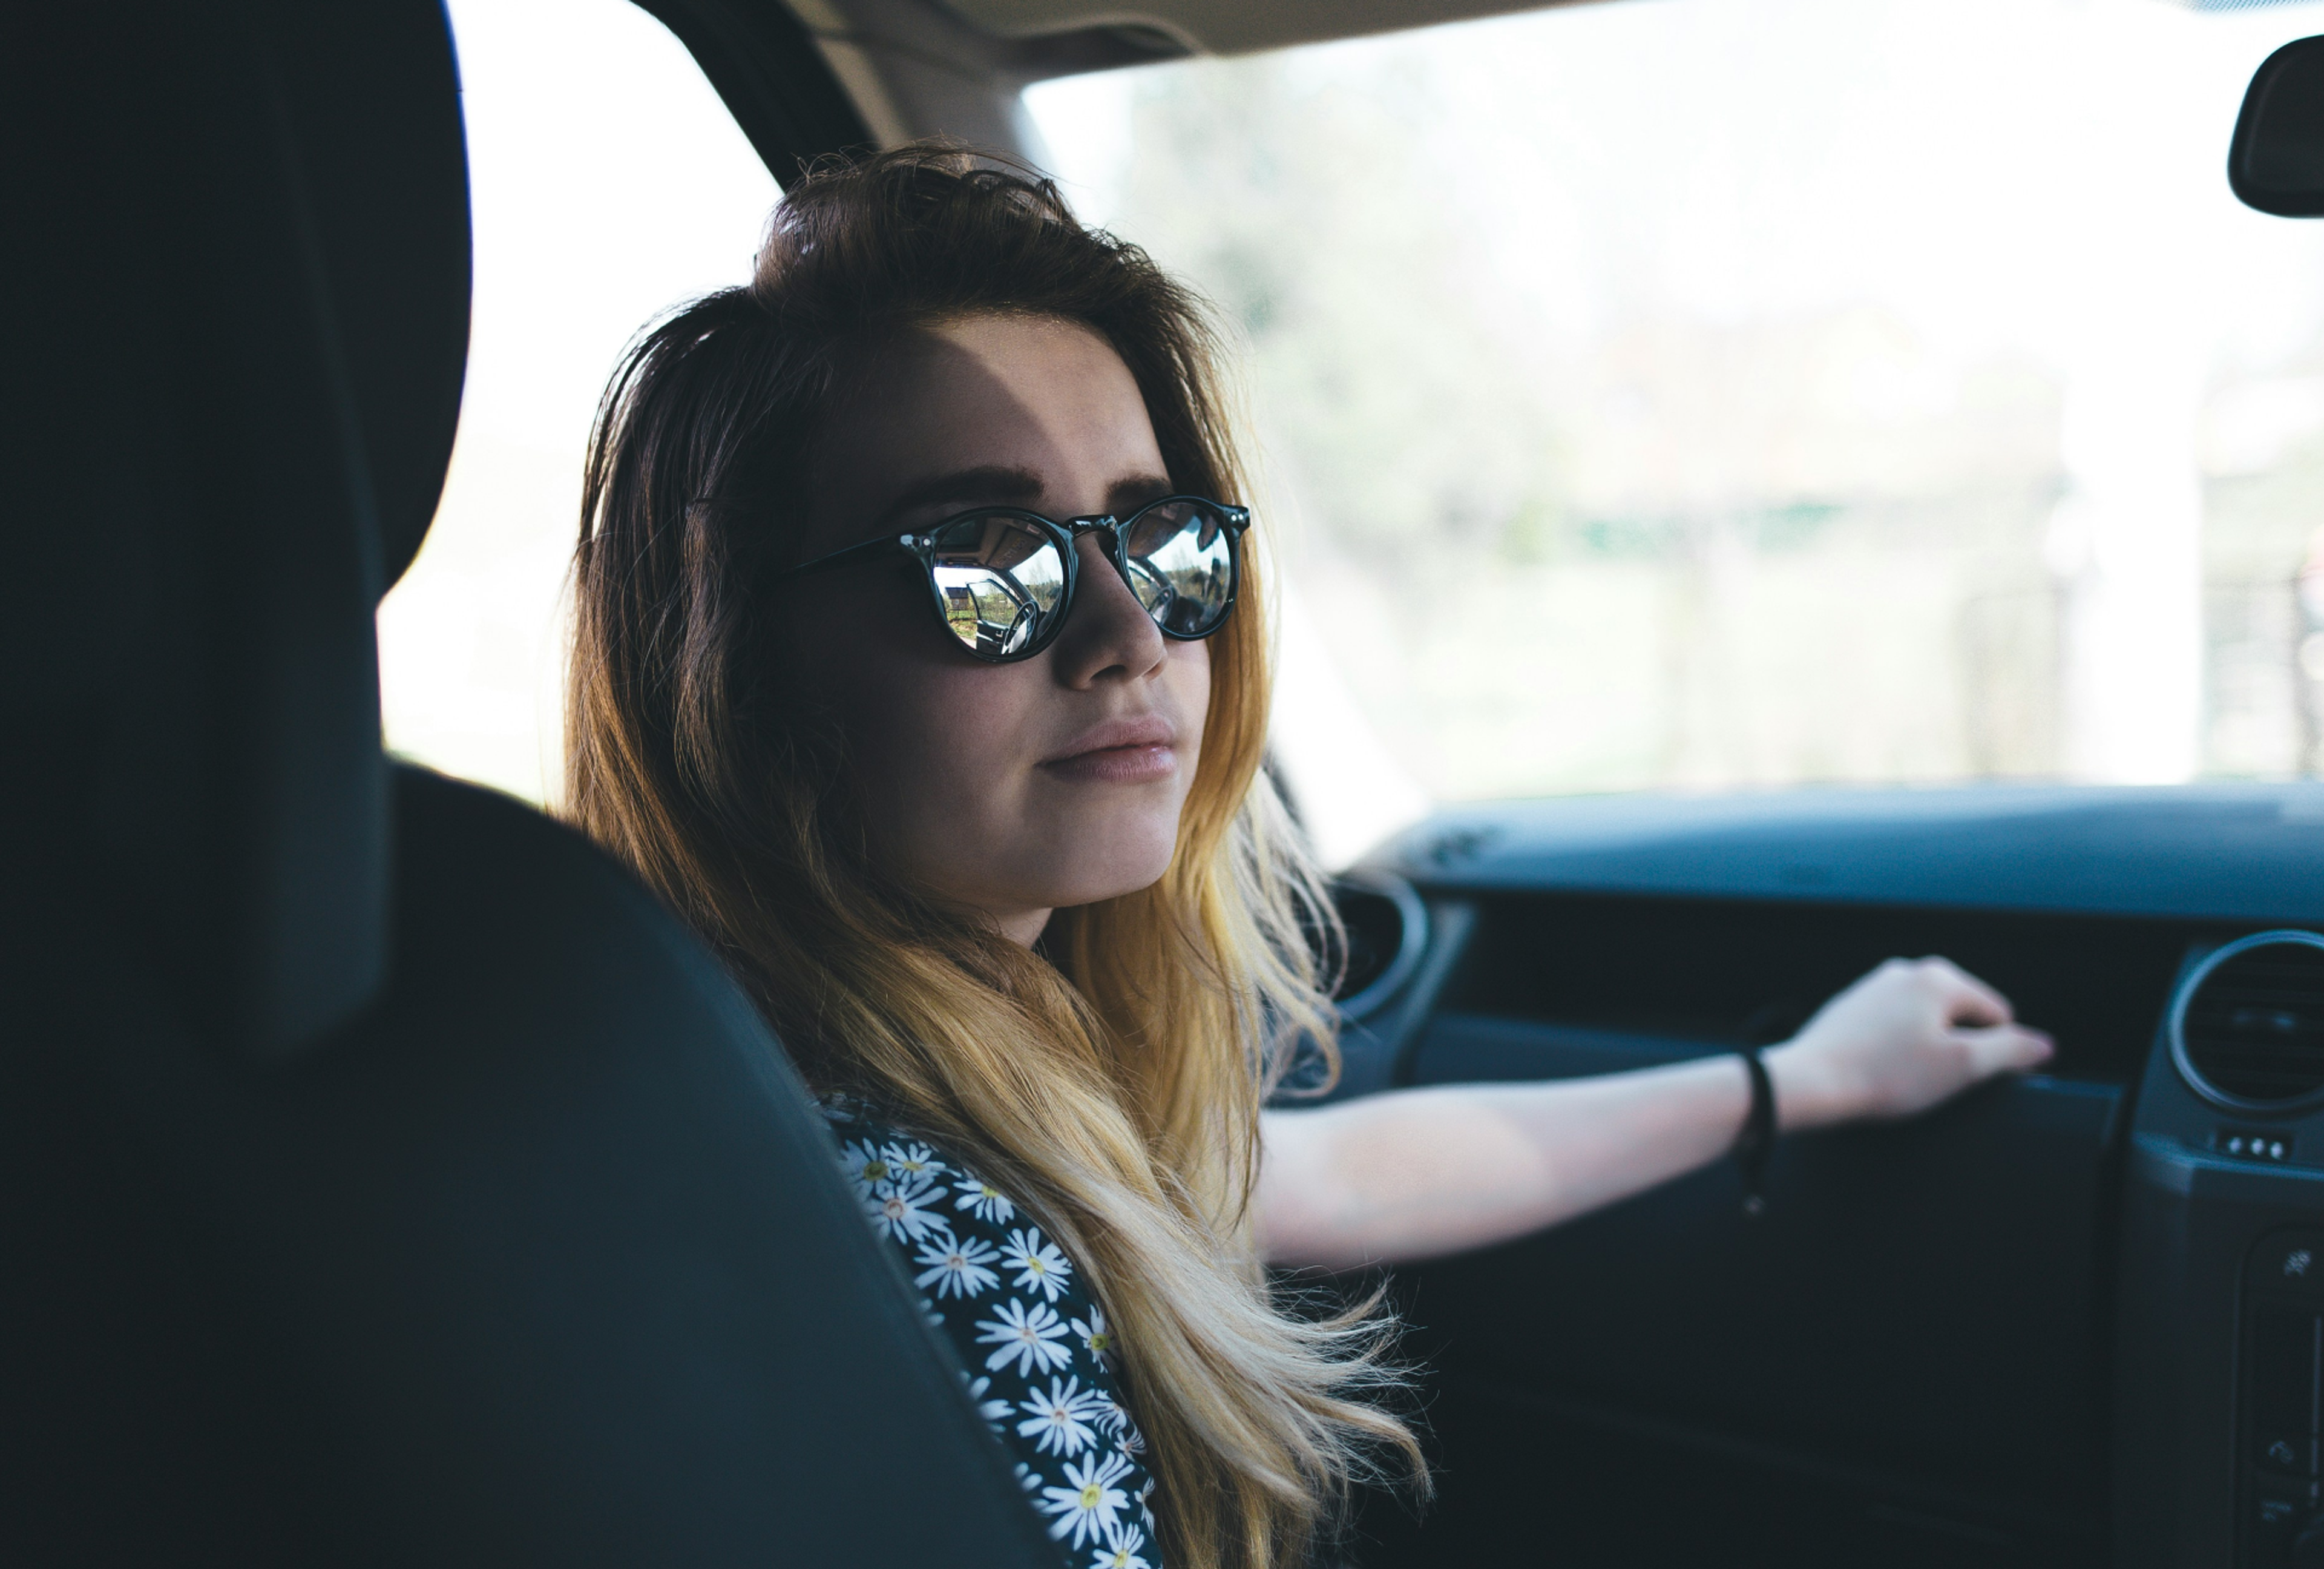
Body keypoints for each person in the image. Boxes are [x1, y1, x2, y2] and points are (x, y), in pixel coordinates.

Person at [563, 146, 2054, 1569]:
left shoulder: (879, 1093)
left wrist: (1805, 1081)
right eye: (984, 561)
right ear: (735, 669)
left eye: (1159, 540)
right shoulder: (934, 1234)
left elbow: (1316, 1179)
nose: (1132, 635)